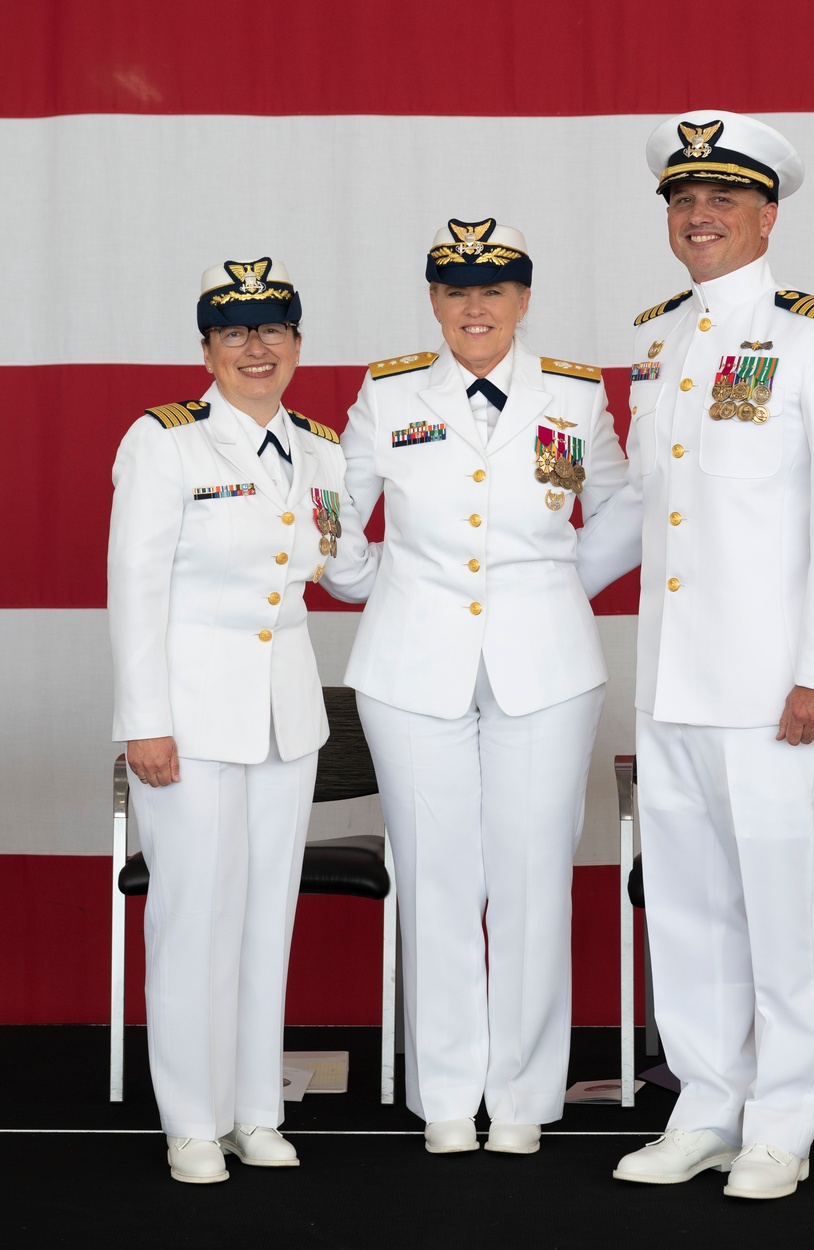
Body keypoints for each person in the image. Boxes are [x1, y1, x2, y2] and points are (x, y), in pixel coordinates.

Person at [577, 112, 814, 1199]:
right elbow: (641, 511)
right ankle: (706, 1104)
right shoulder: (657, 335)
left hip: (771, 685)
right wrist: (528, 582)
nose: (696, 217)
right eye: (680, 200)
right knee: (687, 902)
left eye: (719, 200)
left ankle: (783, 1119)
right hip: (671, 677)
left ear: (767, 213)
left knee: (779, 904)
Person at [337, 218, 627, 1155]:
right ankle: (449, 1097)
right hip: (410, 665)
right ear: (433, 300)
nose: (475, 306)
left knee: (534, 880)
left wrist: (548, 590)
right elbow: (340, 516)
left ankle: (524, 1100)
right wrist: (385, 587)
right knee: (436, 879)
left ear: (523, 300)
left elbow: (619, 507)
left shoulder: (575, 397)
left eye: (493, 289)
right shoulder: (388, 395)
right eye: (456, 289)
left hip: (544, 664)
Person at [107, 257, 378, 1183]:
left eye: (273, 332)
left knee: (268, 918)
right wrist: (144, 721)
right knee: (193, 916)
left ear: (299, 345)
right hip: (187, 715)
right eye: (235, 334)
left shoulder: (323, 447)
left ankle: (255, 1111)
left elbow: (346, 571)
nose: (256, 350)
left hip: (285, 717)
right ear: (208, 350)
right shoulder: (165, 442)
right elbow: (133, 592)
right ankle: (191, 1121)